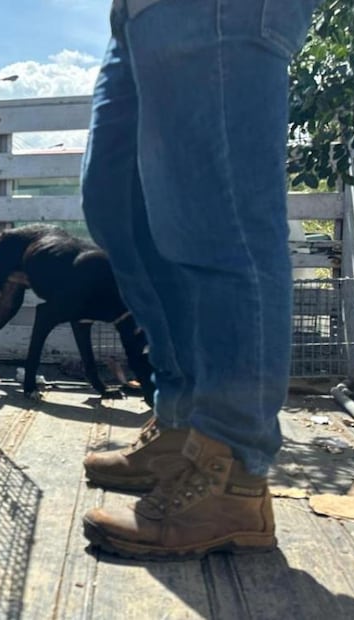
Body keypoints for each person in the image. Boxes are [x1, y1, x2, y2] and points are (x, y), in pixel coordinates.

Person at [79, 0, 320, 558]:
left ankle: (231, 469)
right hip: (135, 16)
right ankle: (182, 422)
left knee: (223, 218)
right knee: (119, 207)